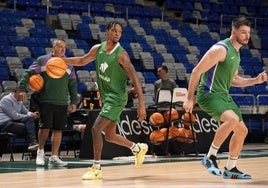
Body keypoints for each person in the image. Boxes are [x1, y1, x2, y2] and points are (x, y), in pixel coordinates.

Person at [183, 16, 267, 179]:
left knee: (242, 130)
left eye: (248, 33)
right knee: (232, 120)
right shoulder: (220, 49)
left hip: (223, 95)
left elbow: (234, 80)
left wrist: (255, 81)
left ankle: (231, 168)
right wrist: (189, 98)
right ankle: (210, 157)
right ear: (233, 32)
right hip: (209, 94)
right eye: (243, 32)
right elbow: (196, 71)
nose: (247, 36)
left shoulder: (236, 53)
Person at [63, 21, 148, 180]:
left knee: (95, 128)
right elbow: (82, 60)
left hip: (116, 98)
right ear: (107, 31)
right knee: (109, 135)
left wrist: (141, 105)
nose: (117, 34)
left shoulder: (121, 54)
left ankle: (97, 168)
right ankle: (137, 148)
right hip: (107, 97)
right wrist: (64, 60)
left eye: (120, 32)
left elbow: (135, 79)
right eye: (115, 31)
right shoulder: (98, 49)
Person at [19, 39, 78, 167]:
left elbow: (72, 84)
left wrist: (74, 100)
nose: (63, 49)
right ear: (54, 47)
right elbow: (28, 73)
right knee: (44, 128)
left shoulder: (68, 63)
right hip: (46, 100)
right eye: (60, 46)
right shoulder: (43, 60)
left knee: (58, 130)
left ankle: (54, 156)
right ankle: (40, 153)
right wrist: (22, 88)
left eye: (64, 47)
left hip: (62, 101)